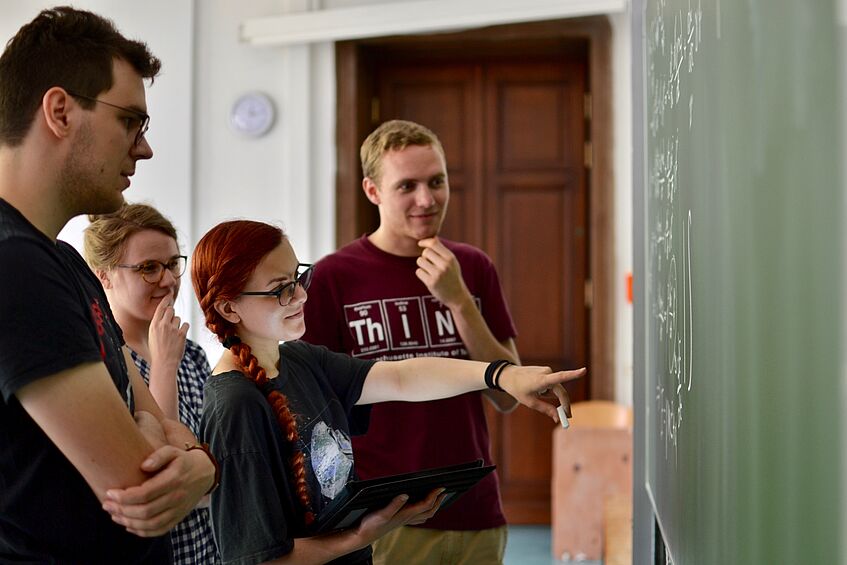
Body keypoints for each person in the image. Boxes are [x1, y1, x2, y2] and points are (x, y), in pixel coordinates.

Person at [190, 219, 581, 564]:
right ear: (229, 309)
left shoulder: (301, 360)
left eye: (298, 278)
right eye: (280, 290)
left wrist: (501, 375)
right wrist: (360, 536)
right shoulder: (237, 406)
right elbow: (258, 559)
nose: (301, 296)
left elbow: (400, 378)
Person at [0, 7, 216, 562]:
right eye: (130, 121)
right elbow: (137, 481)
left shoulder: (64, 263)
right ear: (60, 111)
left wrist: (196, 460)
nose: (143, 149)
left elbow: (169, 429)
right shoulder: (15, 266)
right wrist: (182, 453)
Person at [301, 119, 524, 564]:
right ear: (372, 191)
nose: (427, 199)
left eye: (436, 182)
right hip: (386, 515)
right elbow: (314, 407)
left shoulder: (473, 267)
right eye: (407, 186)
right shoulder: (333, 277)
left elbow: (508, 397)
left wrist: (460, 302)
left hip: (474, 505)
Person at [84, 202, 219, 564]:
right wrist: (163, 367)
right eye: (148, 268)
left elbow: (221, 459)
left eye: (173, 264)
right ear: (104, 277)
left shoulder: (192, 353)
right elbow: (158, 470)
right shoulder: (101, 364)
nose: (169, 280)